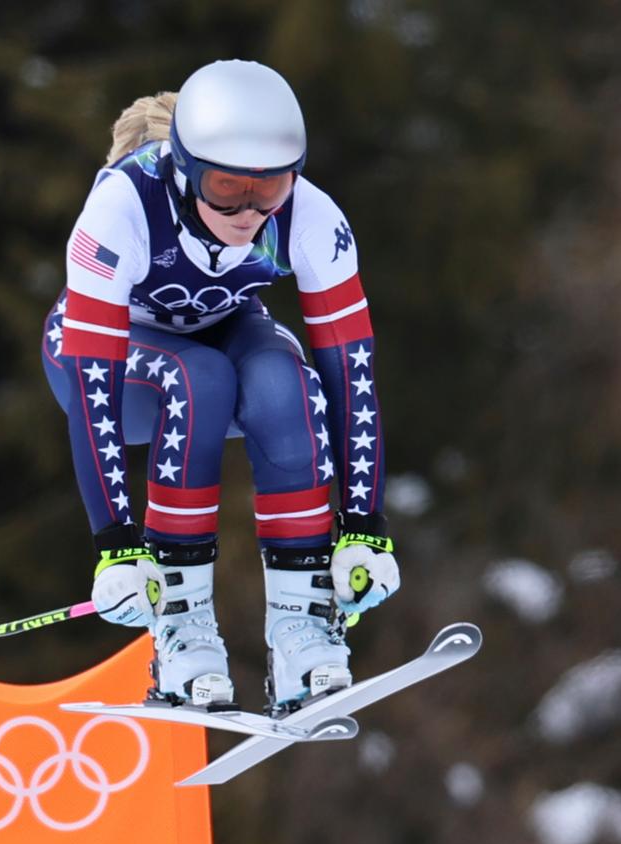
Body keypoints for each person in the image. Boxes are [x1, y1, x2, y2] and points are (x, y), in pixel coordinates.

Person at [42, 59, 399, 713]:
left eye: (270, 190)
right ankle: (181, 629)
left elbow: (352, 372)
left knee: (282, 382)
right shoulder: (122, 208)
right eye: (227, 187)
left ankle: (303, 631)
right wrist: (117, 546)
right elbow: (95, 381)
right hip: (115, 371)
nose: (249, 211)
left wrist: (365, 528)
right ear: (182, 170)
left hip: (225, 331)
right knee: (198, 377)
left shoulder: (310, 216)